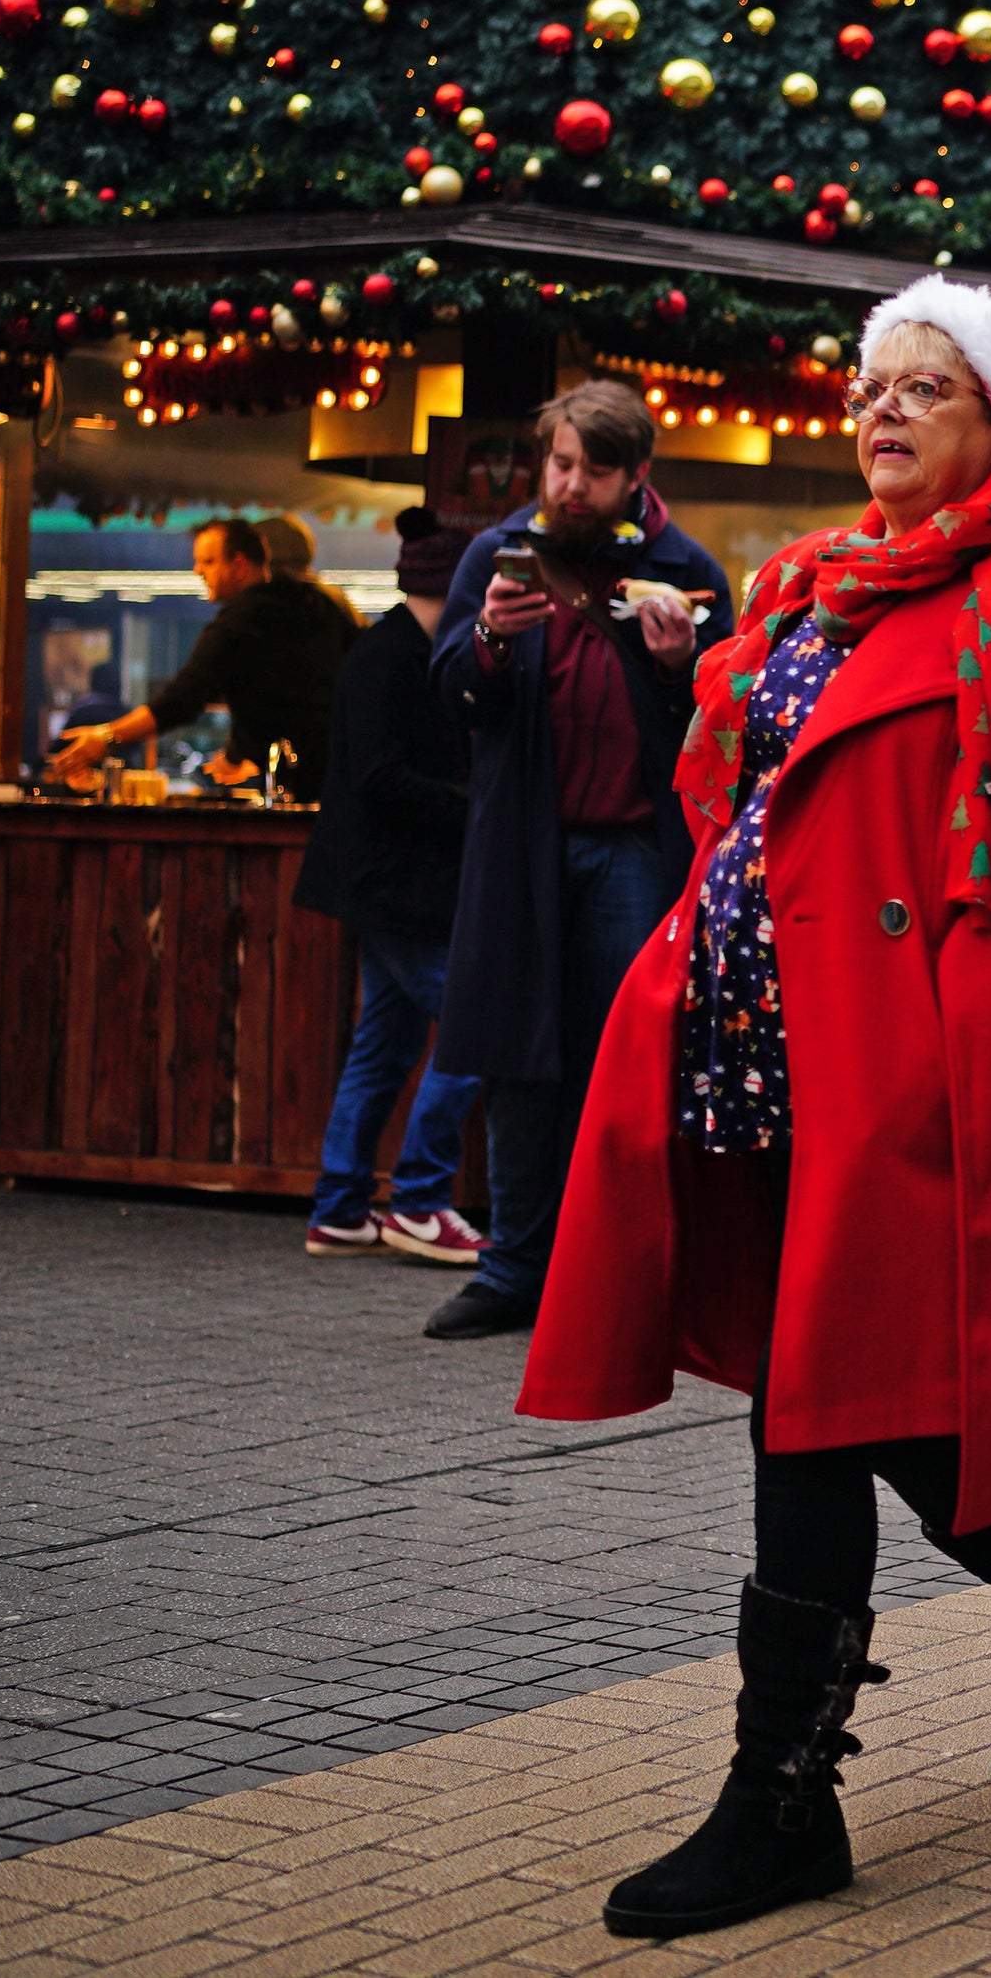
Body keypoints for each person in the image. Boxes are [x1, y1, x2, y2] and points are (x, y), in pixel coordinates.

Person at [517, 279, 991, 1938]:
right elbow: (751, 796)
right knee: (871, 1394)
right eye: (872, 385)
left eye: (928, 389)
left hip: (899, 1064)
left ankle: (785, 1792)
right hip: (748, 1039)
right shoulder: (814, 584)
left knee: (819, 1402)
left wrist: (986, 1014)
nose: (882, 412)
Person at [422, 383, 732, 1341]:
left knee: (629, 1068)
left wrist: (683, 666)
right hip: (524, 847)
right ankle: (516, 1268)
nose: (572, 485)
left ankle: (628, 1277)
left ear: (636, 474)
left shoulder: (684, 568)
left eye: (595, 471)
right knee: (519, 1062)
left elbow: (729, 724)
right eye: (560, 464)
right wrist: (488, 641)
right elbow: (445, 700)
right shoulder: (499, 556)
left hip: (638, 848)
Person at [291, 507, 487, 1267]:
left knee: (386, 1042)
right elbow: (382, 778)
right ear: (455, 583)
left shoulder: (393, 650)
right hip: (398, 883)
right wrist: (476, 809)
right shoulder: (393, 658)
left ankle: (341, 1206)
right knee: (475, 1023)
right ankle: (420, 1198)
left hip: (382, 879)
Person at [53, 518, 355, 795]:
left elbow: (182, 698)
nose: (197, 571)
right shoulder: (322, 608)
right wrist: (238, 751)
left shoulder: (242, 620)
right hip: (348, 779)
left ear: (239, 566)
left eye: (208, 562)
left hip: (311, 787)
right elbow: (273, 694)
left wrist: (106, 737)